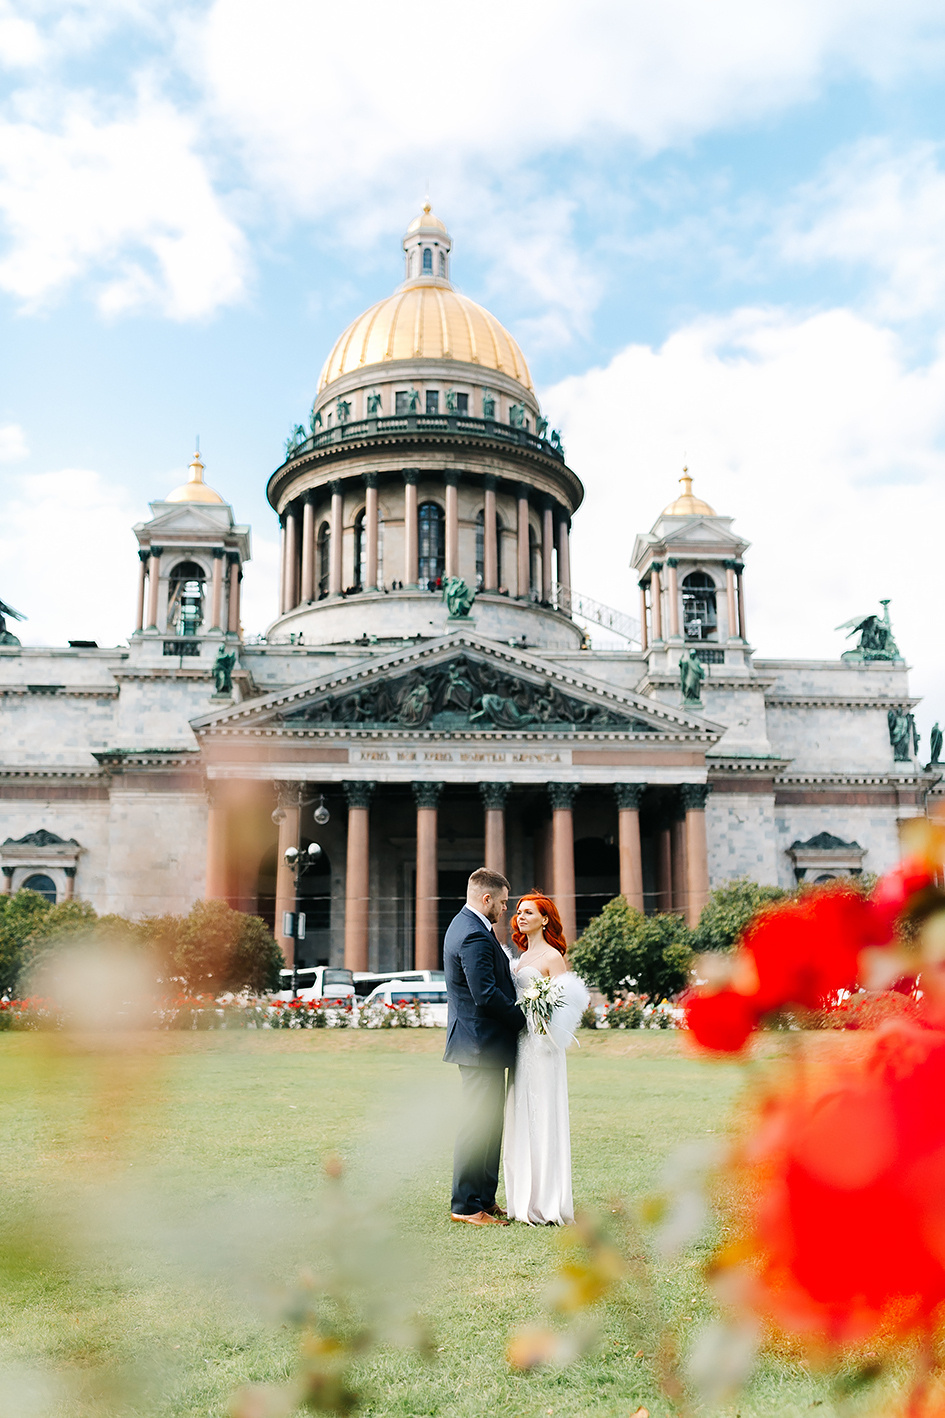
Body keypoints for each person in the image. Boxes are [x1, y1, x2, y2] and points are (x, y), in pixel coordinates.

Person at [443, 868, 525, 1227]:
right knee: (477, 1126)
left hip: (482, 1045)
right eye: (504, 902)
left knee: (490, 1125)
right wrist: (524, 1019)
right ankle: (464, 1206)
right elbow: (486, 995)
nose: (506, 909)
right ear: (486, 899)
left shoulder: (468, 925)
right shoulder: (473, 934)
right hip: (480, 1047)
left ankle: (485, 1199)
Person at [503, 892, 589, 1225]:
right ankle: (522, 1199)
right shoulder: (520, 959)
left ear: (545, 918)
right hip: (521, 1048)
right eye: (519, 912)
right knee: (521, 1118)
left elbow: (565, 1008)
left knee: (544, 1117)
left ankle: (548, 1201)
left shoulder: (553, 957)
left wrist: (542, 1018)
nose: (520, 917)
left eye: (528, 912)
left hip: (544, 1048)